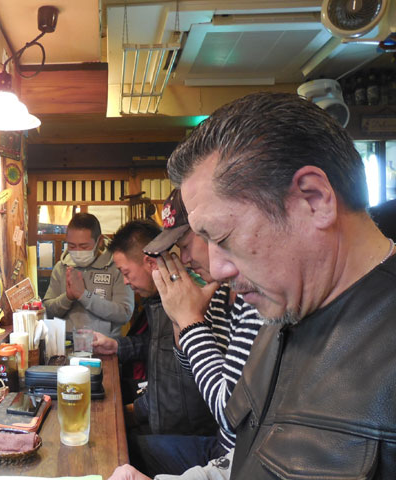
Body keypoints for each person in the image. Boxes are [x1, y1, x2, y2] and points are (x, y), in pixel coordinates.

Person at [166, 91, 396, 478]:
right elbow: (249, 457)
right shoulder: (282, 310)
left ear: (313, 199)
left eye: (221, 237)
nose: (217, 269)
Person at [107, 190, 262, 480]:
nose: (185, 259)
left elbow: (229, 412)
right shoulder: (218, 294)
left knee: (118, 450)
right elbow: (189, 369)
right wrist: (180, 320)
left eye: (186, 245)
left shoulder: (256, 298)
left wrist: (189, 321)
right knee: (117, 452)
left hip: (239, 456)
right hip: (224, 447)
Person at [93, 219, 217, 474]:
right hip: (168, 421)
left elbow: (178, 387)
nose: (125, 282)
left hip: (187, 432)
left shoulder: (187, 300)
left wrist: (132, 412)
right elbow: (156, 346)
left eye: (126, 272)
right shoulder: (159, 300)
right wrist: (117, 346)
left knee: (108, 449)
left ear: (149, 263)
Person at [43, 212, 133, 338]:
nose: (77, 251)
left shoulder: (116, 268)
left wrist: (84, 296)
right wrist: (68, 298)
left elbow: (124, 313)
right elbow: (47, 311)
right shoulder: (61, 267)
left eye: (84, 247)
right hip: (66, 341)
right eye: (72, 246)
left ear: (99, 241)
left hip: (105, 343)